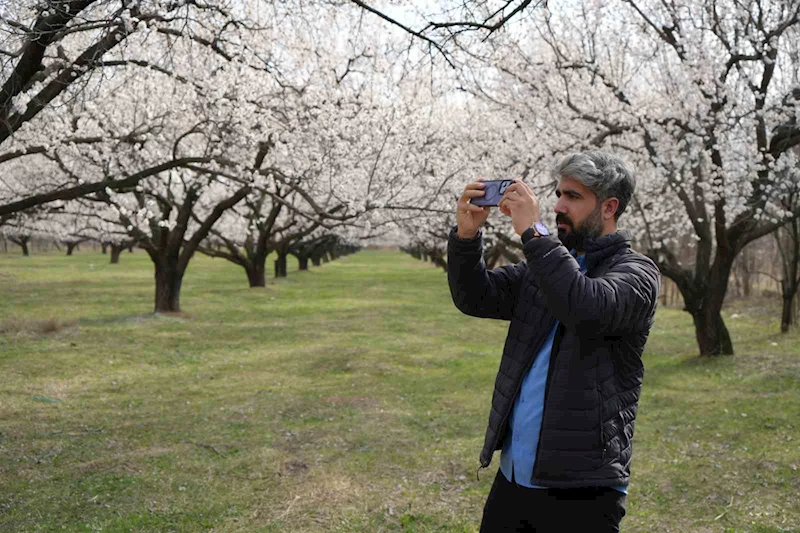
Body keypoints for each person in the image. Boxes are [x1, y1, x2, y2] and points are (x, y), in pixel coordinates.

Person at [447, 152, 660, 532]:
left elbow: (586, 307)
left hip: (583, 489)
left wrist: (535, 233)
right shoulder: (544, 269)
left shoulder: (637, 273)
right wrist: (466, 237)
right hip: (514, 477)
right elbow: (475, 296)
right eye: (559, 193)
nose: (559, 206)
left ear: (609, 207)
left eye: (574, 197)